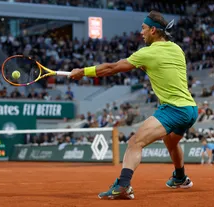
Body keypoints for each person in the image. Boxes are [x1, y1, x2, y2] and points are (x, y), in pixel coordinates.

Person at [70, 10, 198, 200]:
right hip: (191, 109)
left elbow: (112, 68)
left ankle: (123, 186)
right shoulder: (176, 48)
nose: (141, 32)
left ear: (153, 30)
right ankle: (180, 178)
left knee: (134, 143)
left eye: (144, 29)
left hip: (174, 109)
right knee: (170, 141)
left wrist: (83, 72)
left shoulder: (147, 53)